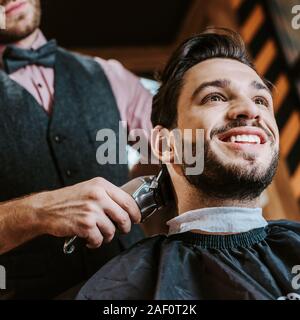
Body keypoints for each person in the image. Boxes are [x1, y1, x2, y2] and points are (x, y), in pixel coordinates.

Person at [77, 28, 300, 300]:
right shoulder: (127, 288)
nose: (251, 110)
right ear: (165, 145)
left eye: (261, 100)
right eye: (214, 97)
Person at [0, 0, 154, 299]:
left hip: (138, 286)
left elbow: (185, 156)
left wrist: (138, 194)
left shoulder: (109, 74)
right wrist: (37, 211)